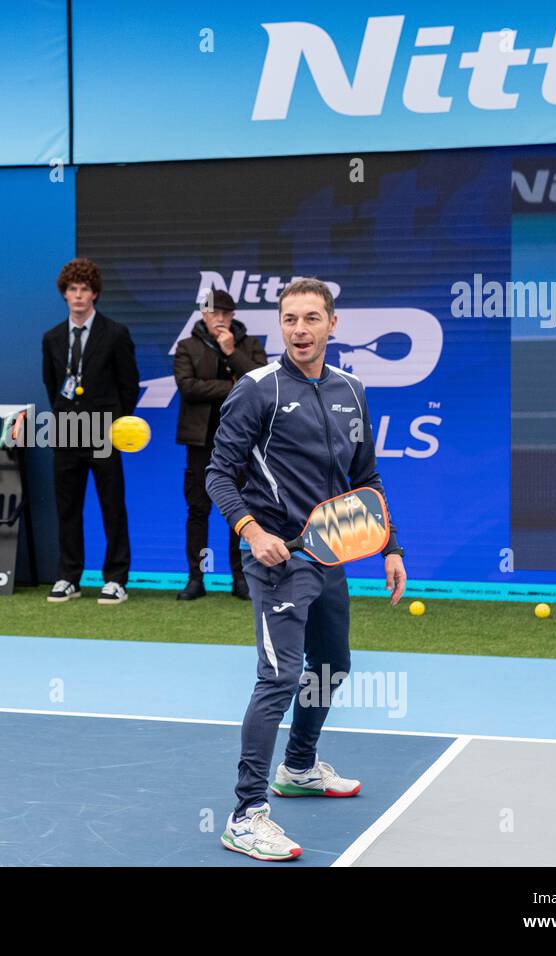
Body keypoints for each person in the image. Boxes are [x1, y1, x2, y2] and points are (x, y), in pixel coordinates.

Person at [206, 277, 406, 862]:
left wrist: (391, 546)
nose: (300, 329)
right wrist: (251, 531)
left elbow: (365, 479)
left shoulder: (351, 389)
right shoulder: (256, 390)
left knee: (333, 665)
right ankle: (246, 815)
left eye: (312, 318)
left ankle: (297, 766)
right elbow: (218, 473)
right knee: (278, 678)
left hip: (333, 551)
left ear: (332, 324)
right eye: (290, 319)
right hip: (276, 556)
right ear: (280, 325)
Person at [41, 257, 140, 605]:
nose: (78, 296)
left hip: (104, 432)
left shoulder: (115, 334)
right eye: (72, 290)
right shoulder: (52, 338)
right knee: (68, 508)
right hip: (67, 431)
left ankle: (116, 579)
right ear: (65, 294)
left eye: (84, 290)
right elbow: (52, 385)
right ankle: (69, 576)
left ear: (94, 294)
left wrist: (115, 425)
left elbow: (129, 385)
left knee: (112, 506)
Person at [173, 288, 268, 601]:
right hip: (200, 443)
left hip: (241, 442)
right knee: (198, 510)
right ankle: (196, 577)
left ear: (233, 316)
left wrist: (231, 353)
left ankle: (240, 579)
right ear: (204, 314)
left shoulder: (250, 345)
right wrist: (231, 386)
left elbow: (261, 383)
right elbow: (188, 387)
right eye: (214, 313)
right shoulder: (187, 346)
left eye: (226, 314)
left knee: (239, 512)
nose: (220, 319)